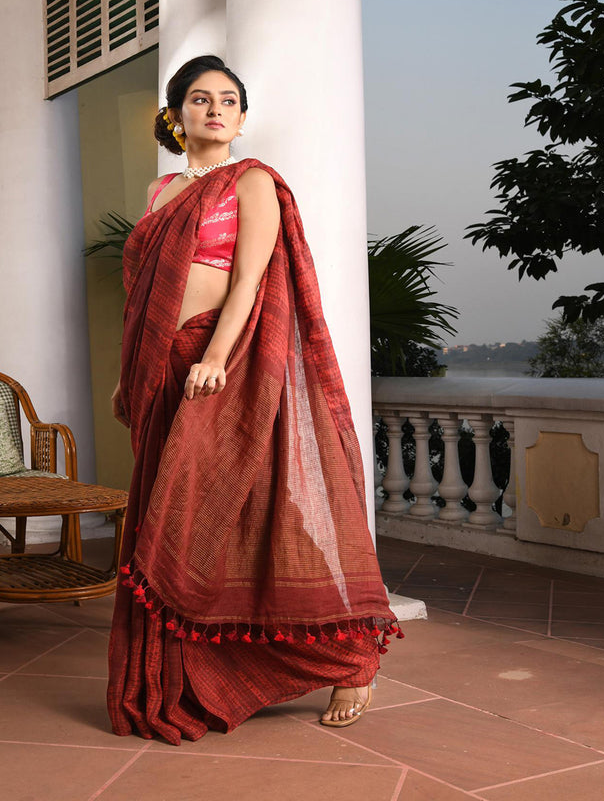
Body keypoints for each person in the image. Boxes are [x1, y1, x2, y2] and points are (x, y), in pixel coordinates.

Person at [107, 55, 400, 746]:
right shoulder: (160, 193)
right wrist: (133, 371)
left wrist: (215, 355)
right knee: (174, 516)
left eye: (228, 100)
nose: (215, 110)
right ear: (176, 115)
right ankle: (185, 675)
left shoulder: (256, 182)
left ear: (241, 116)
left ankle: (351, 658)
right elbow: (143, 296)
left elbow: (249, 280)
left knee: (257, 503)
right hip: (162, 365)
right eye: (200, 99)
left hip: (223, 361)